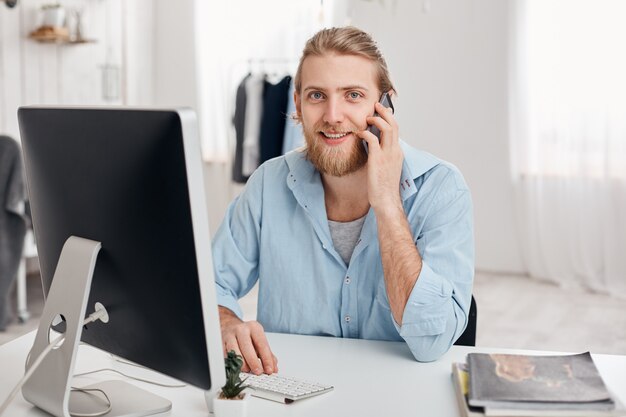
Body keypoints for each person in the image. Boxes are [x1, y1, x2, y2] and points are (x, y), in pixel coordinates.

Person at [212, 26, 474, 374]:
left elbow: (431, 343)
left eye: (352, 95)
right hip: (292, 398)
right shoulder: (268, 185)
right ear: (298, 104)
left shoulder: (442, 189)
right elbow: (209, 284)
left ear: (385, 105)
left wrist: (387, 203)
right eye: (317, 96)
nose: (333, 116)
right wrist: (226, 323)